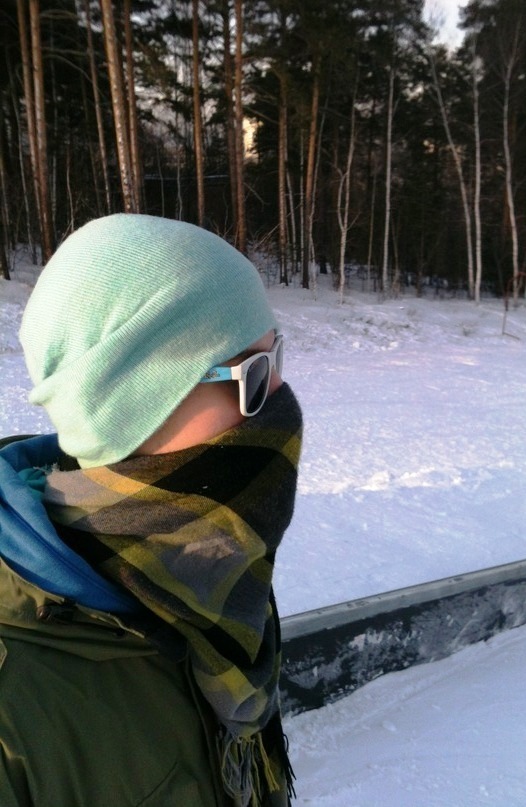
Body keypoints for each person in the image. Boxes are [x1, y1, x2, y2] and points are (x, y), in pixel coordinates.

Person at [0, 214, 302, 807]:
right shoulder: (14, 705)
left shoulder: (206, 566)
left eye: (277, 360)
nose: (279, 401)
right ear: (126, 401)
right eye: (252, 373)